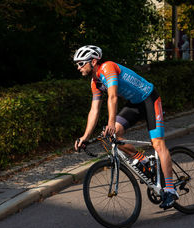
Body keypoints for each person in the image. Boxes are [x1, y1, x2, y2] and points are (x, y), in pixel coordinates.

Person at [73, 45, 178, 209]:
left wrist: (110, 123)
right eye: (77, 64)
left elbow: (113, 97)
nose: (78, 68)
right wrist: (85, 137)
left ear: (93, 61)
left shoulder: (107, 67)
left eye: (81, 64)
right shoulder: (95, 83)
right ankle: (144, 160)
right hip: (135, 104)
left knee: (158, 143)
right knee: (110, 138)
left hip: (149, 99)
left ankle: (171, 190)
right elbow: (94, 110)